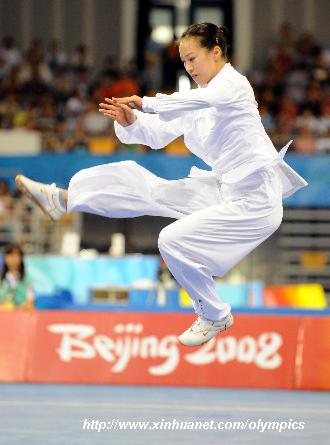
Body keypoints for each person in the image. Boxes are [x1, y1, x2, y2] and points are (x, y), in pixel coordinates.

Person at [15, 23, 307, 346]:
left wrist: (147, 102)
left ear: (216, 52)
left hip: (257, 200)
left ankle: (214, 313)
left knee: (171, 240)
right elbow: (156, 134)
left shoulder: (234, 86)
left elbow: (201, 102)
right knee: (144, 184)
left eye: (193, 58)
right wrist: (132, 123)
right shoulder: (194, 102)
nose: (190, 67)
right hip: (223, 191)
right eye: (184, 62)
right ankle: (65, 200)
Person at [0, 243, 34, 309]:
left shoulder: (28, 279)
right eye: (10, 255)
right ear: (5, 258)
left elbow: (30, 303)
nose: (13, 259)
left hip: (20, 315)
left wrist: (14, 308)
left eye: (16, 256)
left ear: (21, 258)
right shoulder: (1, 277)